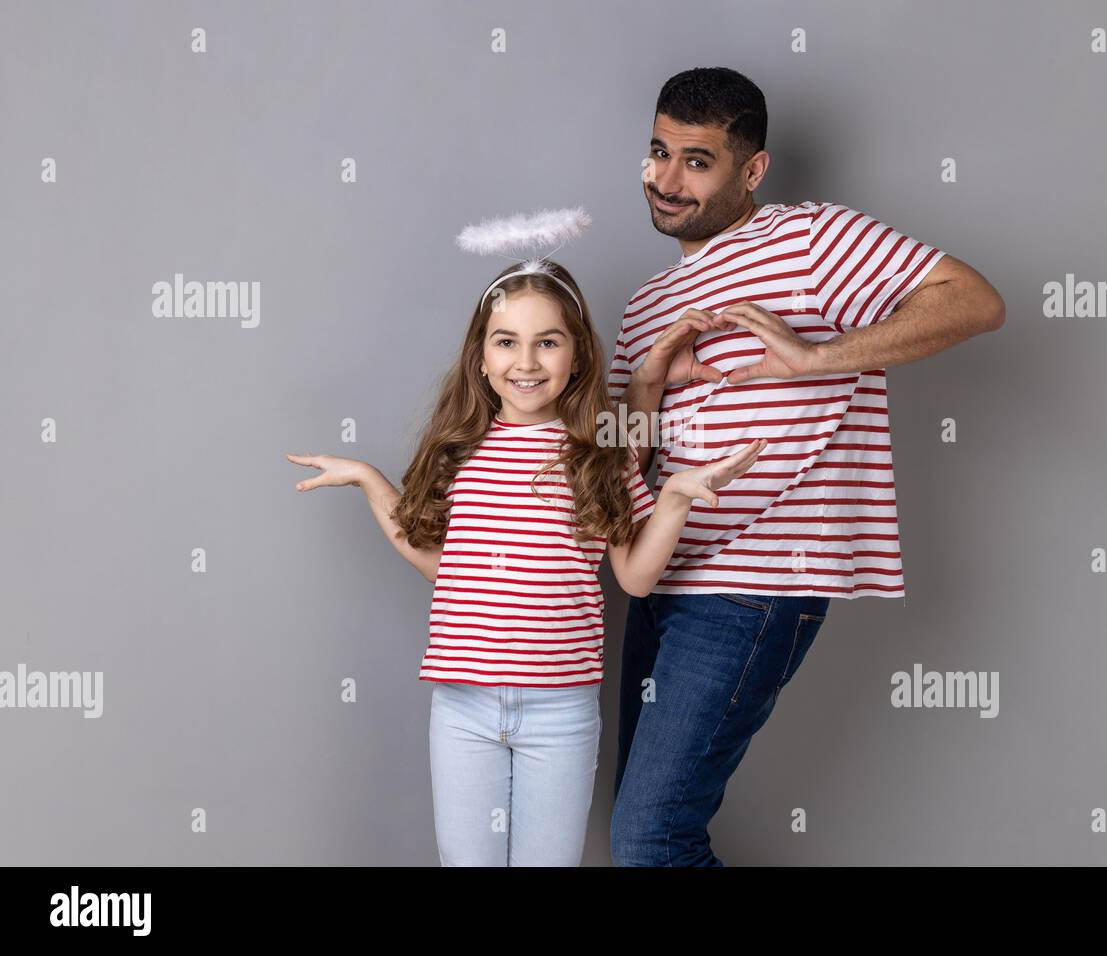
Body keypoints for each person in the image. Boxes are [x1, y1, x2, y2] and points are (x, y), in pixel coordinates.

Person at [609, 67, 1006, 865]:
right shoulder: (646, 301)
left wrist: (815, 357)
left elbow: (974, 300)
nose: (665, 178)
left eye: (696, 160)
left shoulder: (810, 238)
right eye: (657, 152)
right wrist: (647, 385)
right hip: (656, 582)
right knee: (641, 834)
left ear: (751, 170)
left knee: (649, 843)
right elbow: (625, 459)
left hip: (752, 589)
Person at [286, 256, 766, 865]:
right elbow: (443, 566)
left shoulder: (602, 452)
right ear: (481, 357)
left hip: (559, 712)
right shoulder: (458, 449)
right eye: (507, 342)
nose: (527, 362)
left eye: (548, 342)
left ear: (578, 356)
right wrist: (369, 480)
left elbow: (635, 578)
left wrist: (671, 500)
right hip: (462, 709)